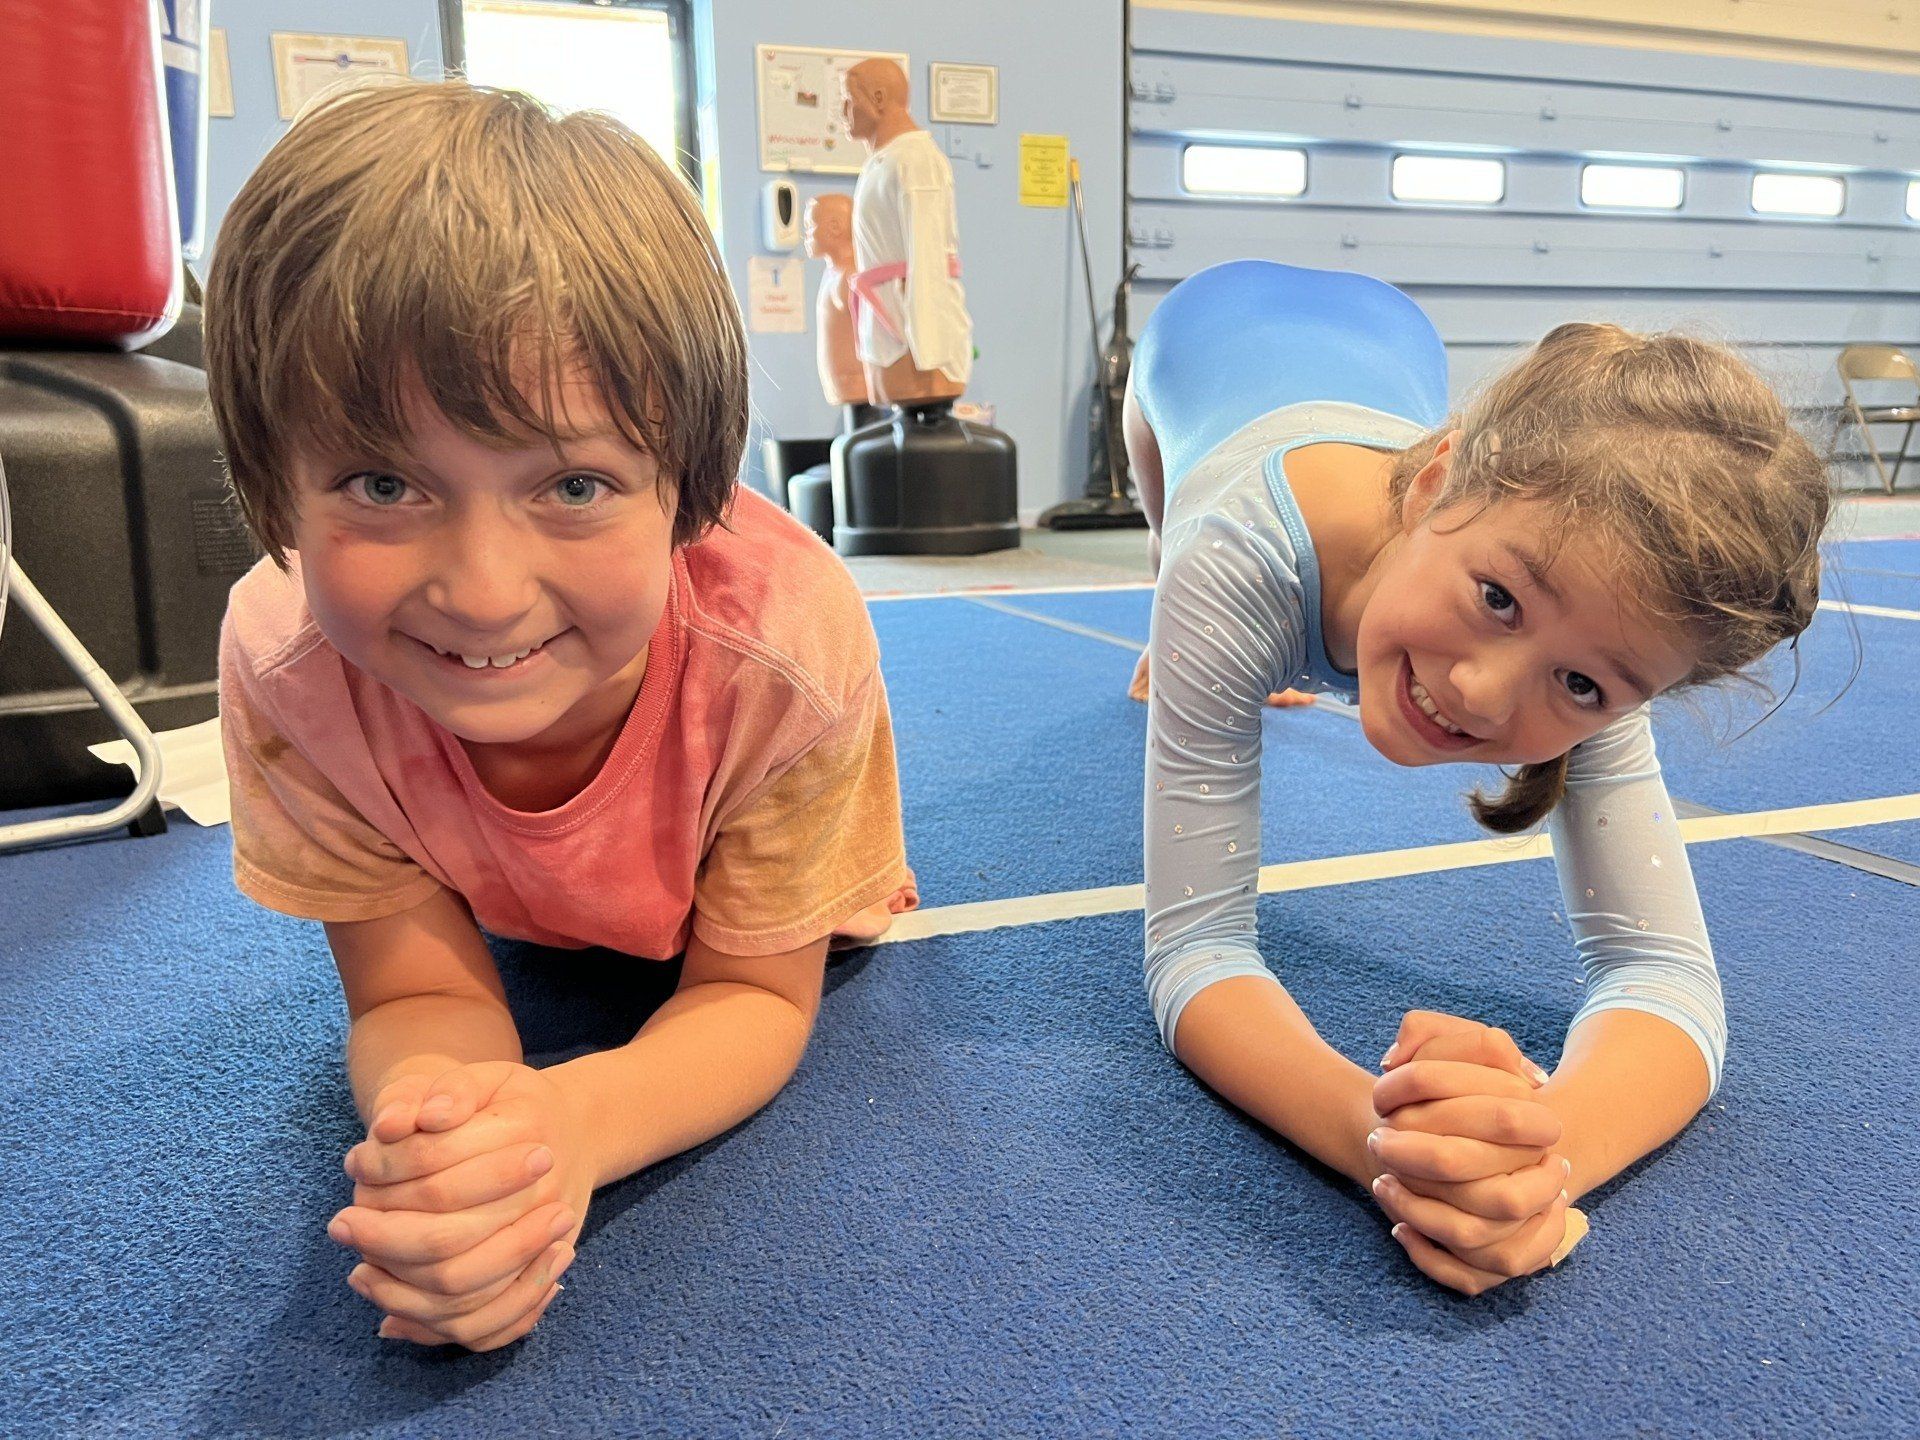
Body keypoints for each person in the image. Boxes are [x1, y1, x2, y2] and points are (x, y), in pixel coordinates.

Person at [205, 80, 916, 1351]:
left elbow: (754, 997)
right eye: (384, 482)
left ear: (692, 493)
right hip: (508, 905)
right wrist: (456, 1141)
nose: (482, 594)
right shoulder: (289, 662)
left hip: (751, 914)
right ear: (274, 489)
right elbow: (412, 994)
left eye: (576, 483)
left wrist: (574, 1127)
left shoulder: (786, 655)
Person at [1129, 258, 1826, 1296]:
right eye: (1497, 596)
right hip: (1199, 334)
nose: (1487, 697)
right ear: (1432, 482)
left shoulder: (1594, 606)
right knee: (1172, 541)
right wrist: (1382, 1144)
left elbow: (1667, 975)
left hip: (1392, 341)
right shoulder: (1235, 556)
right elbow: (1196, 946)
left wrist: (1533, 1159)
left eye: (1583, 684)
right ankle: (1177, 628)